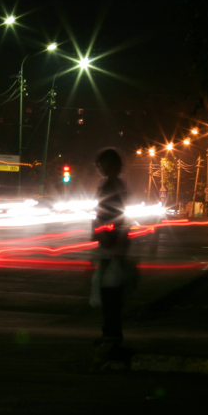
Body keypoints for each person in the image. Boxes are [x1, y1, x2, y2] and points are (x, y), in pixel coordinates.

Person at [89, 148, 134, 370]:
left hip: (112, 241)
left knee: (110, 291)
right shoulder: (114, 185)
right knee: (108, 288)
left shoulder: (113, 186)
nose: (102, 169)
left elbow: (112, 214)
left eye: (104, 165)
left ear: (114, 165)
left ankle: (112, 335)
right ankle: (110, 333)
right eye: (100, 165)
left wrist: (109, 236)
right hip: (111, 241)